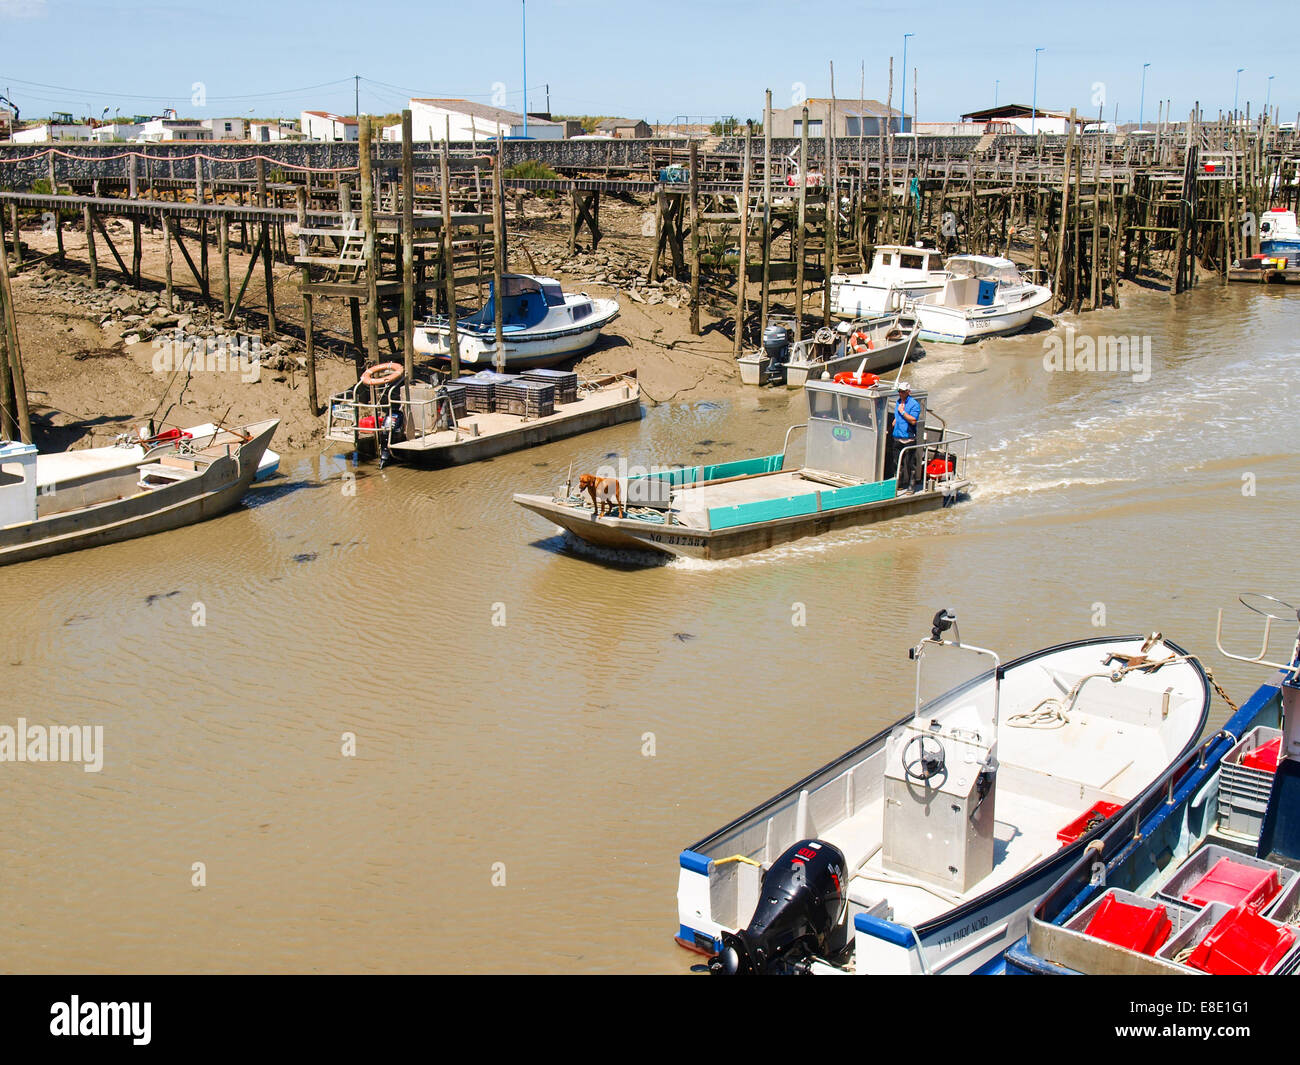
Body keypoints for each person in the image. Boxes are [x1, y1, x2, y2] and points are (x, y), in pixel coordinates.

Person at [892, 382, 922, 493]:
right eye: (899, 391)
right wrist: (896, 419)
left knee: (910, 464)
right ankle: (898, 484)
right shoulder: (898, 402)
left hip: (909, 439)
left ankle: (911, 486)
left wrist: (902, 412)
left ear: (908, 392)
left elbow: (913, 420)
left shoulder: (914, 404)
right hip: (897, 437)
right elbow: (898, 415)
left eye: (902, 391)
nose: (900, 393)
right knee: (896, 463)